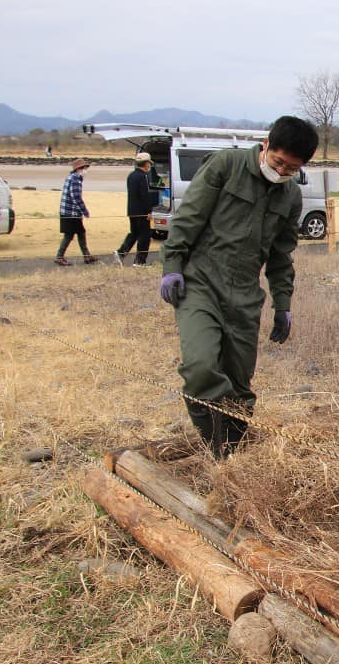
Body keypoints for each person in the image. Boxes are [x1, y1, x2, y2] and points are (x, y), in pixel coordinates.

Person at [159, 115, 318, 457]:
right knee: (201, 369)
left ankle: (231, 457)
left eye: (292, 169)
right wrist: (173, 265)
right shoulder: (225, 166)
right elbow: (189, 218)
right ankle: (217, 450)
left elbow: (280, 256)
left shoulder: (290, 197)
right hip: (200, 283)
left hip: (245, 296)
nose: (282, 171)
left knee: (240, 389)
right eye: (279, 162)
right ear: (265, 147)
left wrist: (283, 305)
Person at [116, 152, 156, 266]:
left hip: (132, 210)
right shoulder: (143, 177)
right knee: (145, 236)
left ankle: (120, 253)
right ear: (146, 164)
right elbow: (144, 195)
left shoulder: (131, 175)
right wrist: (149, 211)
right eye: (149, 163)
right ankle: (140, 261)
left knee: (134, 233)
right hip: (141, 212)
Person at [56, 158, 97, 265]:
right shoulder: (75, 179)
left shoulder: (71, 177)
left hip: (67, 211)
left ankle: (87, 256)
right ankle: (59, 257)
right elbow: (76, 198)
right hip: (71, 213)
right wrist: (84, 211)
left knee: (81, 232)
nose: (86, 170)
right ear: (79, 169)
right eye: (85, 168)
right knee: (69, 235)